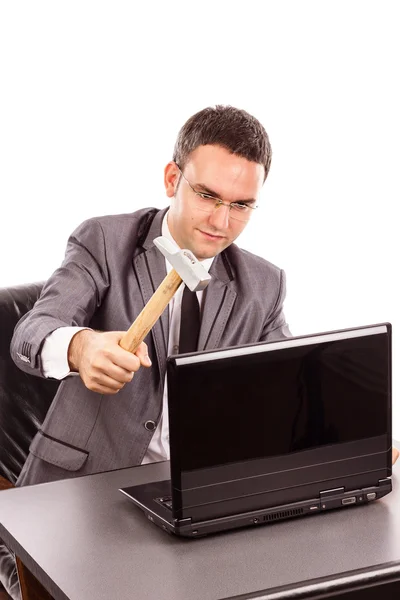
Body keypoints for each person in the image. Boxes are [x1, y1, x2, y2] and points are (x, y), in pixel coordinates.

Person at [1, 105, 398, 599]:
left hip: (190, 498)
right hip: (80, 497)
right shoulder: (103, 240)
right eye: (208, 195)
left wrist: (344, 433)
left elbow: (288, 384)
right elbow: (31, 332)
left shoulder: (262, 283)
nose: (221, 221)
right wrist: (80, 346)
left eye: (241, 205)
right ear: (173, 178)